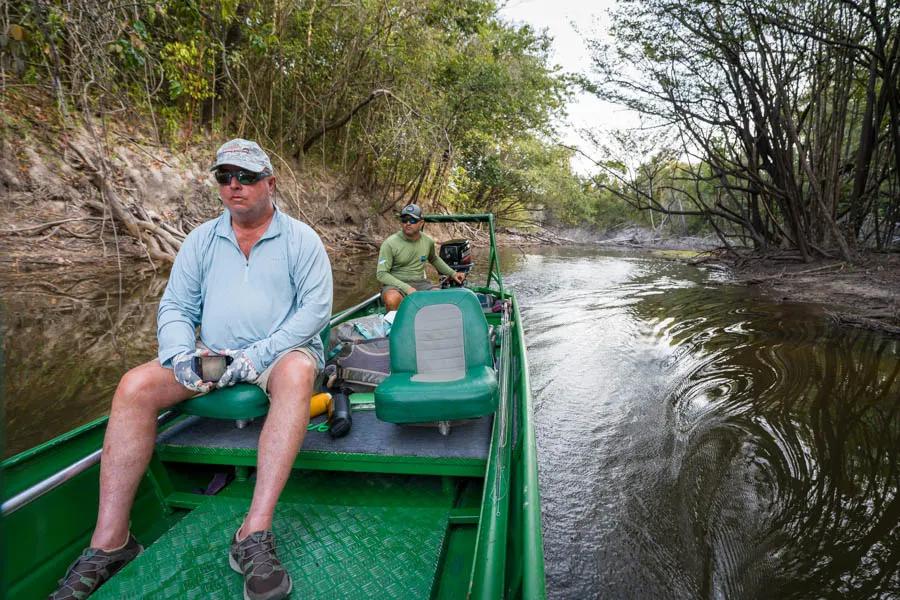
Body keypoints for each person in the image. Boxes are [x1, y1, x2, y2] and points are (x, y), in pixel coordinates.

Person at [50, 139, 333, 600]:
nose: (234, 186)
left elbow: (315, 312)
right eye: (225, 177)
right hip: (213, 351)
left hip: (281, 352)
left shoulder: (302, 240)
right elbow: (177, 306)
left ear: (270, 184)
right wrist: (180, 355)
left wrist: (255, 357)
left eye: (245, 177)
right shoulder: (202, 240)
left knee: (299, 374)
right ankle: (111, 543)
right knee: (135, 385)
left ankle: (252, 534)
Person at [376, 204, 466, 311]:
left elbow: (434, 259)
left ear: (421, 223)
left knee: (439, 297)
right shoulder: (390, 243)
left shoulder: (428, 242)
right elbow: (381, 274)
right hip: (395, 285)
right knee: (392, 299)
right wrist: (407, 288)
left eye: (412, 220)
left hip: (420, 283)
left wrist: (453, 273)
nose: (408, 223)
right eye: (404, 220)